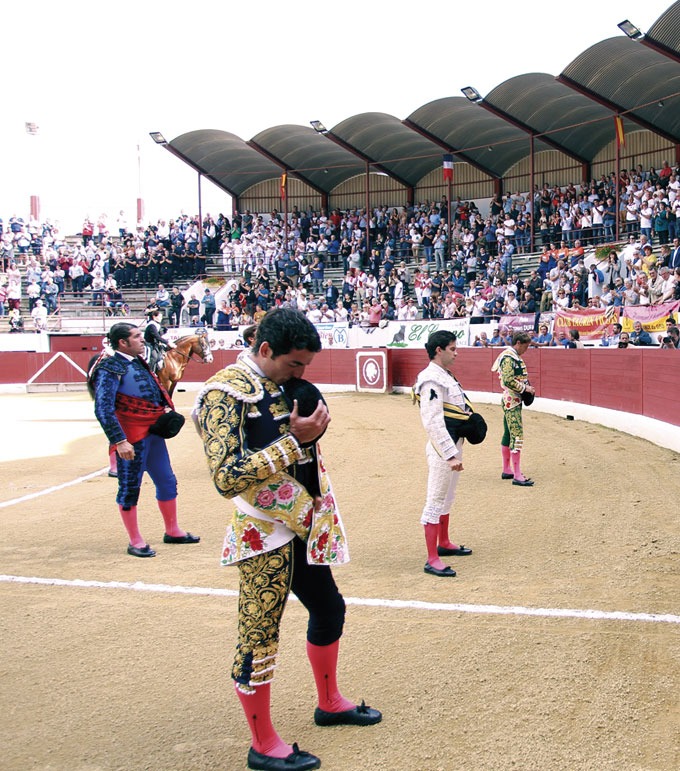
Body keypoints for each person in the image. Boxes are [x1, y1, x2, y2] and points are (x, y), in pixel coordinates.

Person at [193, 307, 380, 771]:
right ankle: (262, 745)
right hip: (261, 531)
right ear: (265, 349)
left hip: (302, 521)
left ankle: (329, 703)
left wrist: (311, 434)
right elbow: (226, 476)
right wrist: (294, 443)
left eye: (305, 365)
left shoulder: (280, 384)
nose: (300, 373)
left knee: (329, 608)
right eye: (294, 363)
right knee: (258, 635)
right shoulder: (223, 392)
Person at [90, 322, 197, 558]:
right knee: (130, 487)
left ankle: (172, 530)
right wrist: (119, 441)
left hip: (153, 433)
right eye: (137, 336)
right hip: (131, 437)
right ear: (123, 342)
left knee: (167, 481)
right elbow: (103, 408)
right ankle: (135, 540)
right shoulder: (109, 367)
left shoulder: (138, 361)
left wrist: (163, 409)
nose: (142, 339)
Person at [414, 330, 483, 577]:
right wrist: (449, 454)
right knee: (435, 500)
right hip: (442, 449)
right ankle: (432, 558)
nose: (456, 353)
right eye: (452, 349)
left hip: (454, 443)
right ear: (439, 350)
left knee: (447, 497)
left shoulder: (443, 375)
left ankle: (443, 542)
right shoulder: (431, 379)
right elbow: (432, 420)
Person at [493, 331, 535, 486]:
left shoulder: (513, 356)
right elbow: (508, 380)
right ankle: (517, 475)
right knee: (516, 434)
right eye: (525, 346)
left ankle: (507, 470)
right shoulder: (509, 358)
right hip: (512, 401)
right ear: (518, 343)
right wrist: (526, 388)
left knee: (508, 434)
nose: (526, 350)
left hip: (513, 400)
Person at [142, 308, 170, 374]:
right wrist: (167, 342)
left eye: (161, 317)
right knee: (154, 357)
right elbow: (157, 336)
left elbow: (160, 334)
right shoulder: (151, 325)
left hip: (154, 344)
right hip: (148, 344)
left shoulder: (157, 325)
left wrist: (164, 331)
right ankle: (148, 372)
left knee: (160, 356)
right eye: (159, 317)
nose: (161, 318)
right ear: (154, 317)